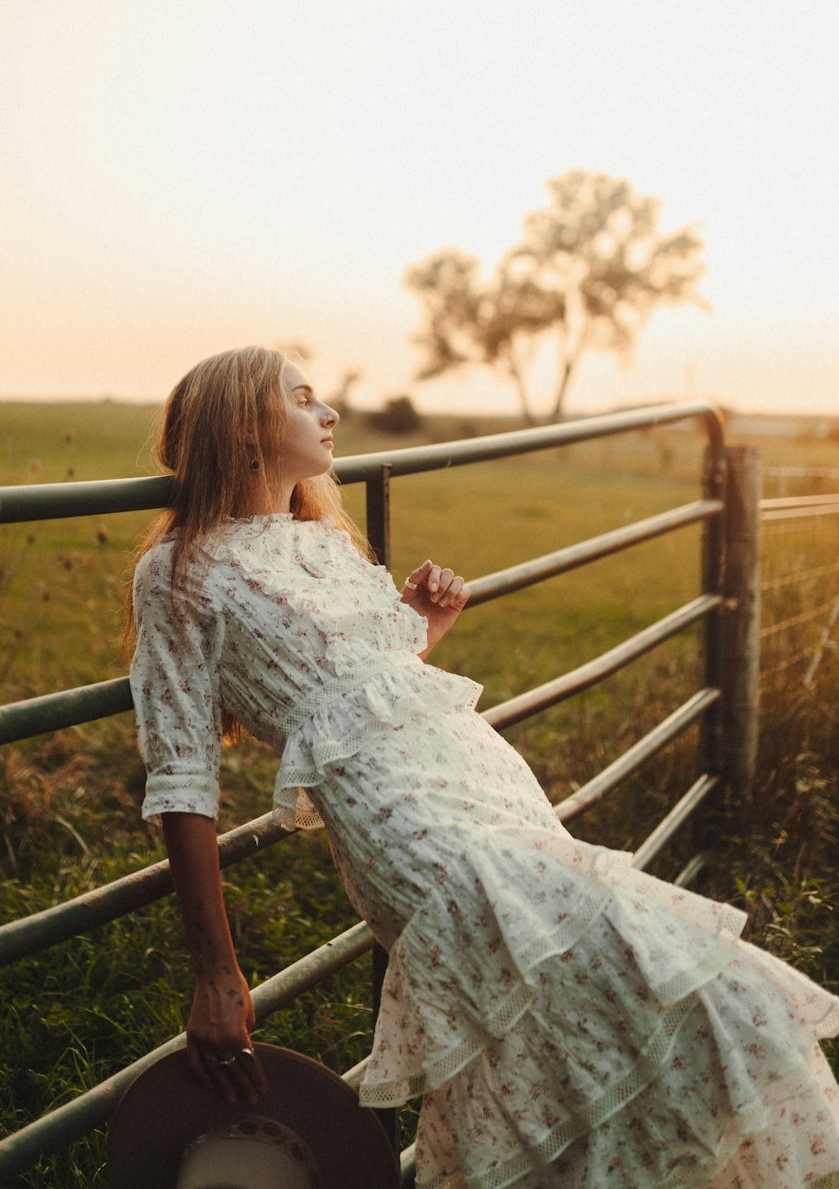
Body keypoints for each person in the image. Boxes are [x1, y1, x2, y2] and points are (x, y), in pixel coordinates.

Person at [127, 345, 839, 1189]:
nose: (330, 414)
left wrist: (418, 627)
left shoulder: (320, 540)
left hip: (492, 788)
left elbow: (355, 684)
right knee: (732, 1002)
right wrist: (217, 971)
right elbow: (182, 775)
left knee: (572, 1051)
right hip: (418, 838)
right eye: (303, 398)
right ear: (245, 426)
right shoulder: (179, 572)